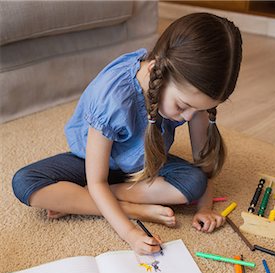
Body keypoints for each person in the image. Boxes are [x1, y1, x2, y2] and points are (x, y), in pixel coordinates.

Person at [12, 13, 242, 255]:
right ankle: (130, 207)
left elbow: (202, 162)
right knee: (26, 183)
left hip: (143, 165)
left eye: (200, 109)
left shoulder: (192, 101)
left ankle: (77, 199)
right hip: (93, 164)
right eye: (183, 106)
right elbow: (98, 181)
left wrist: (204, 207)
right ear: (157, 72)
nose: (188, 117)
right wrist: (130, 232)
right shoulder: (113, 97)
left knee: (195, 182)